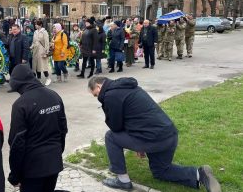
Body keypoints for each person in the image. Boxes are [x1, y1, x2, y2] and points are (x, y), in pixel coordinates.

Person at [88, 77, 222, 192]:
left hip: (152, 138)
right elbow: (135, 117)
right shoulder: (128, 86)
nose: (98, 98)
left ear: (99, 86)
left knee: (110, 136)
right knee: (160, 171)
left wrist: (140, 144)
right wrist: (139, 144)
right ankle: (199, 174)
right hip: (169, 134)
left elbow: (116, 127)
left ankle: (123, 181)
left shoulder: (110, 95)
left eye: (95, 95)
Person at [8, 64, 68, 192]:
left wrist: (14, 175)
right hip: (54, 162)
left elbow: (16, 143)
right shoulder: (54, 96)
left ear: (18, 84)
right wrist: (56, 154)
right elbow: (63, 130)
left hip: (32, 169)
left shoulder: (20, 105)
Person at [31, 20, 51, 86]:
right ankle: (39, 79)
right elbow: (34, 42)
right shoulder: (35, 32)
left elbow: (47, 42)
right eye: (35, 24)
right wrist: (31, 47)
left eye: (36, 24)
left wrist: (46, 51)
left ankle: (48, 78)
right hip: (35, 51)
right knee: (36, 66)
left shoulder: (44, 32)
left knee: (43, 66)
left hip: (42, 51)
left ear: (40, 25)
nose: (35, 25)